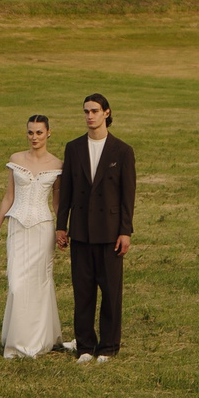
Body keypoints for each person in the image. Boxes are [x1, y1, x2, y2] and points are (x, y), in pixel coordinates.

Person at [53, 92, 135, 361]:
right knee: (83, 291)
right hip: (81, 231)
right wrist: (61, 226)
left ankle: (109, 347)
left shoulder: (122, 151)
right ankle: (86, 346)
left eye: (95, 111)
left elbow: (127, 196)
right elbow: (66, 191)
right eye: (86, 111)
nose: (90, 116)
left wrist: (125, 231)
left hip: (111, 232)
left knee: (111, 293)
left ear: (107, 113)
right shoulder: (73, 148)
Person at [0, 114, 64, 358]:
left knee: (40, 283)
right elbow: (8, 197)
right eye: (30, 132)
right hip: (18, 227)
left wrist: (63, 229)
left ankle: (38, 340)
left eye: (39, 132)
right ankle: (17, 341)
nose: (34, 137)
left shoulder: (57, 164)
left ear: (48, 133)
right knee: (17, 284)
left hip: (43, 228)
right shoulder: (16, 159)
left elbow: (57, 202)